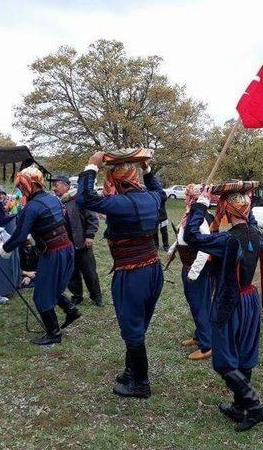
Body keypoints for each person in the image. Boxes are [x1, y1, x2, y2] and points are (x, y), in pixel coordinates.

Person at [184, 181, 263, 432]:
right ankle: (239, 407)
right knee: (244, 356)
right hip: (250, 300)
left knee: (223, 361)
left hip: (230, 301)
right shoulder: (256, 234)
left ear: (227, 209)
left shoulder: (226, 240)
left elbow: (192, 237)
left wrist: (201, 204)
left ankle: (254, 407)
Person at [76, 152, 165, 398]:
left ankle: (141, 384)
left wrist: (91, 167)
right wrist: (148, 171)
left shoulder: (120, 204)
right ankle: (130, 371)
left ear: (117, 179)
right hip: (153, 270)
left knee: (132, 328)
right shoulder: (153, 198)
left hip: (132, 273)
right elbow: (161, 192)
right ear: (134, 177)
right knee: (138, 324)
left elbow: (84, 198)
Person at [0, 166, 76, 346]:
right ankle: (71, 310)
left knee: (41, 295)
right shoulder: (53, 199)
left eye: (21, 184)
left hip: (54, 253)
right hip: (65, 248)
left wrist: (0, 248)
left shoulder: (33, 206)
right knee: (51, 285)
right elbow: (51, 225)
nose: (19, 188)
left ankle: (54, 333)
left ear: (31, 183)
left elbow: (19, 236)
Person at [167, 184, 213, 360]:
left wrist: (194, 272)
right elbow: (183, 236)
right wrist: (173, 249)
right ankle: (200, 335)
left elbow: (205, 247)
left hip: (197, 270)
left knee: (200, 305)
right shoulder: (190, 215)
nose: (184, 198)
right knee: (194, 303)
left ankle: (207, 345)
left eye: (187, 196)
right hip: (187, 266)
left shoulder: (200, 218)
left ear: (193, 198)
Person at [50, 175, 103, 307]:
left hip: (82, 242)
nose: (54, 188)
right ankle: (77, 296)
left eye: (56, 185)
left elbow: (92, 218)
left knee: (89, 272)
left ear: (66, 186)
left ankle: (96, 296)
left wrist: (90, 235)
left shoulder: (79, 198)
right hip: (66, 244)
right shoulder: (57, 202)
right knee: (72, 273)